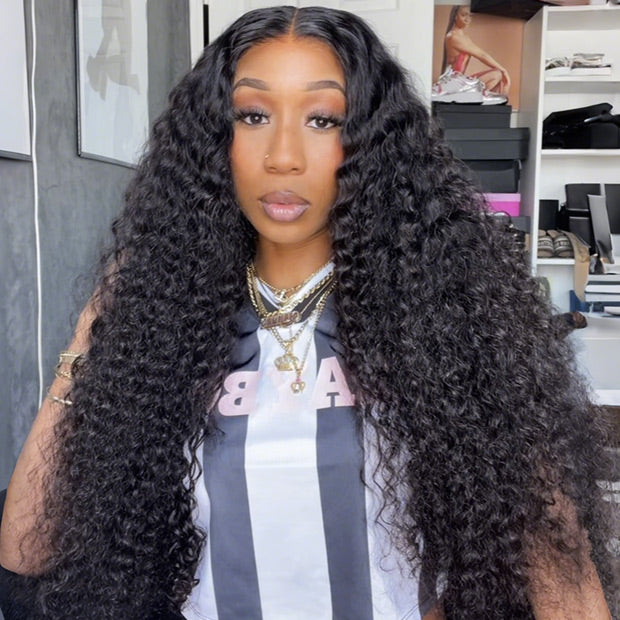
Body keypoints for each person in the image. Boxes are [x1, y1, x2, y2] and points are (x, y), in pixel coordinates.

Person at [0, 5, 615, 619]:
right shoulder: (166, 320)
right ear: (215, 137)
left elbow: (559, 573)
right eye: (253, 116)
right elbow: (27, 554)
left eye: (323, 119)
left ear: (370, 142)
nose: (283, 156)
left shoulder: (443, 316)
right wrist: (92, 336)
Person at [441, 5, 511, 95]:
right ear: (455, 16)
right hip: (454, 85)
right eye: (464, 15)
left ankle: (484, 99)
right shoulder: (453, 37)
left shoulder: (464, 37)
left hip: (461, 81)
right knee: (497, 74)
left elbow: (482, 54)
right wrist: (504, 70)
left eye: (470, 15)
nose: (467, 19)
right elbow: (482, 55)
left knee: (497, 75)